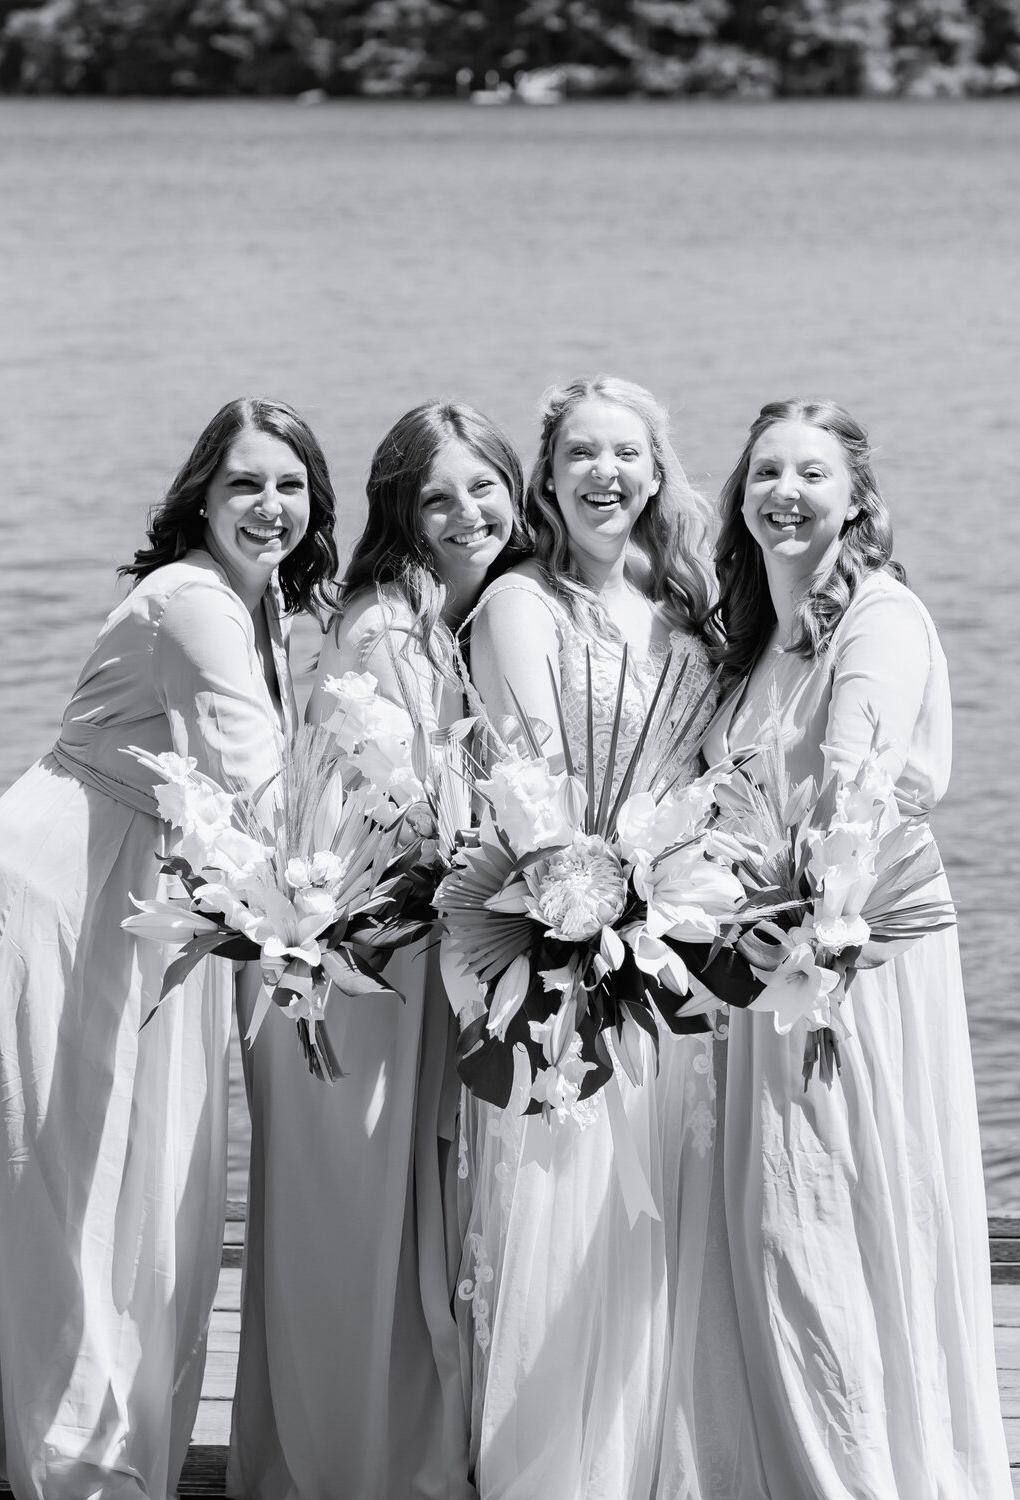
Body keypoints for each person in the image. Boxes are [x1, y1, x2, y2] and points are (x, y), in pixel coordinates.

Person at [0, 397, 338, 1500]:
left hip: (137, 904)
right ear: (199, 498)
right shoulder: (191, 602)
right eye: (244, 485)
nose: (269, 506)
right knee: (76, 1194)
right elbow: (262, 782)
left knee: (140, 1191)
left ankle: (84, 1453)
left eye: (289, 484)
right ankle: (86, 1475)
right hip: (57, 902)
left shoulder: (252, 604)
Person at [681, 398, 1014, 1498]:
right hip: (764, 965)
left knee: (812, 1228)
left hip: (842, 970)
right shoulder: (760, 637)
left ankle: (860, 1478)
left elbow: (856, 798)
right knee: (771, 1228)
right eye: (766, 471)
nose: (785, 490)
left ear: (858, 498)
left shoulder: (877, 617)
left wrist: (802, 949)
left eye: (812, 474)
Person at [228, 399, 528, 1500]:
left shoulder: (456, 615)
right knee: (357, 1228)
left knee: (399, 1226)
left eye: (483, 485)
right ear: (400, 514)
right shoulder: (387, 630)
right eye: (435, 496)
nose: (466, 512)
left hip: (393, 950)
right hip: (359, 964)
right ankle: (357, 1470)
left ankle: (363, 1452)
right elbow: (425, 818)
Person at [458, 376, 718, 1500]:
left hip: (672, 948)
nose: (605, 474)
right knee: (566, 1196)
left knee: (661, 1199)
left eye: (627, 454)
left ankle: (653, 1456)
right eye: (580, 456)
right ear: (549, 479)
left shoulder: (685, 613)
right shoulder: (523, 603)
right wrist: (583, 910)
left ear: (657, 472)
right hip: (564, 950)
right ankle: (553, 1471)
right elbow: (520, 779)